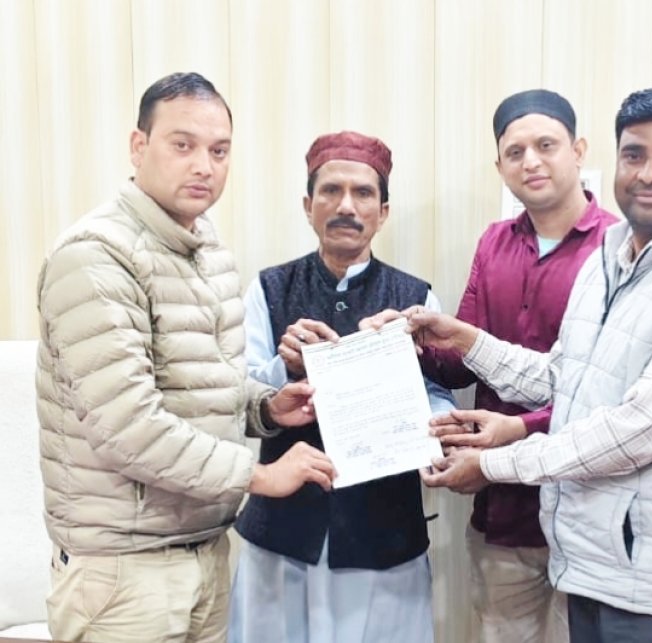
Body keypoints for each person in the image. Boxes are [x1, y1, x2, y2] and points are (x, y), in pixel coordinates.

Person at [366, 88, 652, 643]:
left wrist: (495, 462)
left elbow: (641, 430)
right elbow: (563, 378)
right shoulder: (611, 259)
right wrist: (463, 338)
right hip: (589, 562)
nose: (648, 173)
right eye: (634, 155)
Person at [36, 72, 336, 643]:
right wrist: (259, 476)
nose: (204, 166)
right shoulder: (95, 257)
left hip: (203, 549)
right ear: (138, 146)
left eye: (219, 151)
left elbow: (203, 384)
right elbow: (128, 426)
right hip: (123, 572)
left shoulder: (208, 249)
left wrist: (267, 408)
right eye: (183, 145)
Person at [228, 131, 455, 643]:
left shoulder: (416, 297)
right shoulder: (267, 289)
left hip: (382, 532)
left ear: (383, 211)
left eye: (363, 193)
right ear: (308, 205)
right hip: (284, 532)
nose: (346, 206)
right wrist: (284, 370)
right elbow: (235, 395)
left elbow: (437, 394)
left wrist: (430, 430)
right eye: (330, 191)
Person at [419, 89, 617, 643]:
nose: (531, 161)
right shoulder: (494, 243)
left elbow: (609, 395)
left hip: (586, 508)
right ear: (500, 166)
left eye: (546, 145)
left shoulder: (618, 249)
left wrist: (519, 430)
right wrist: (404, 342)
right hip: (501, 509)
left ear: (578, 150)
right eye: (515, 151)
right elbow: (460, 366)